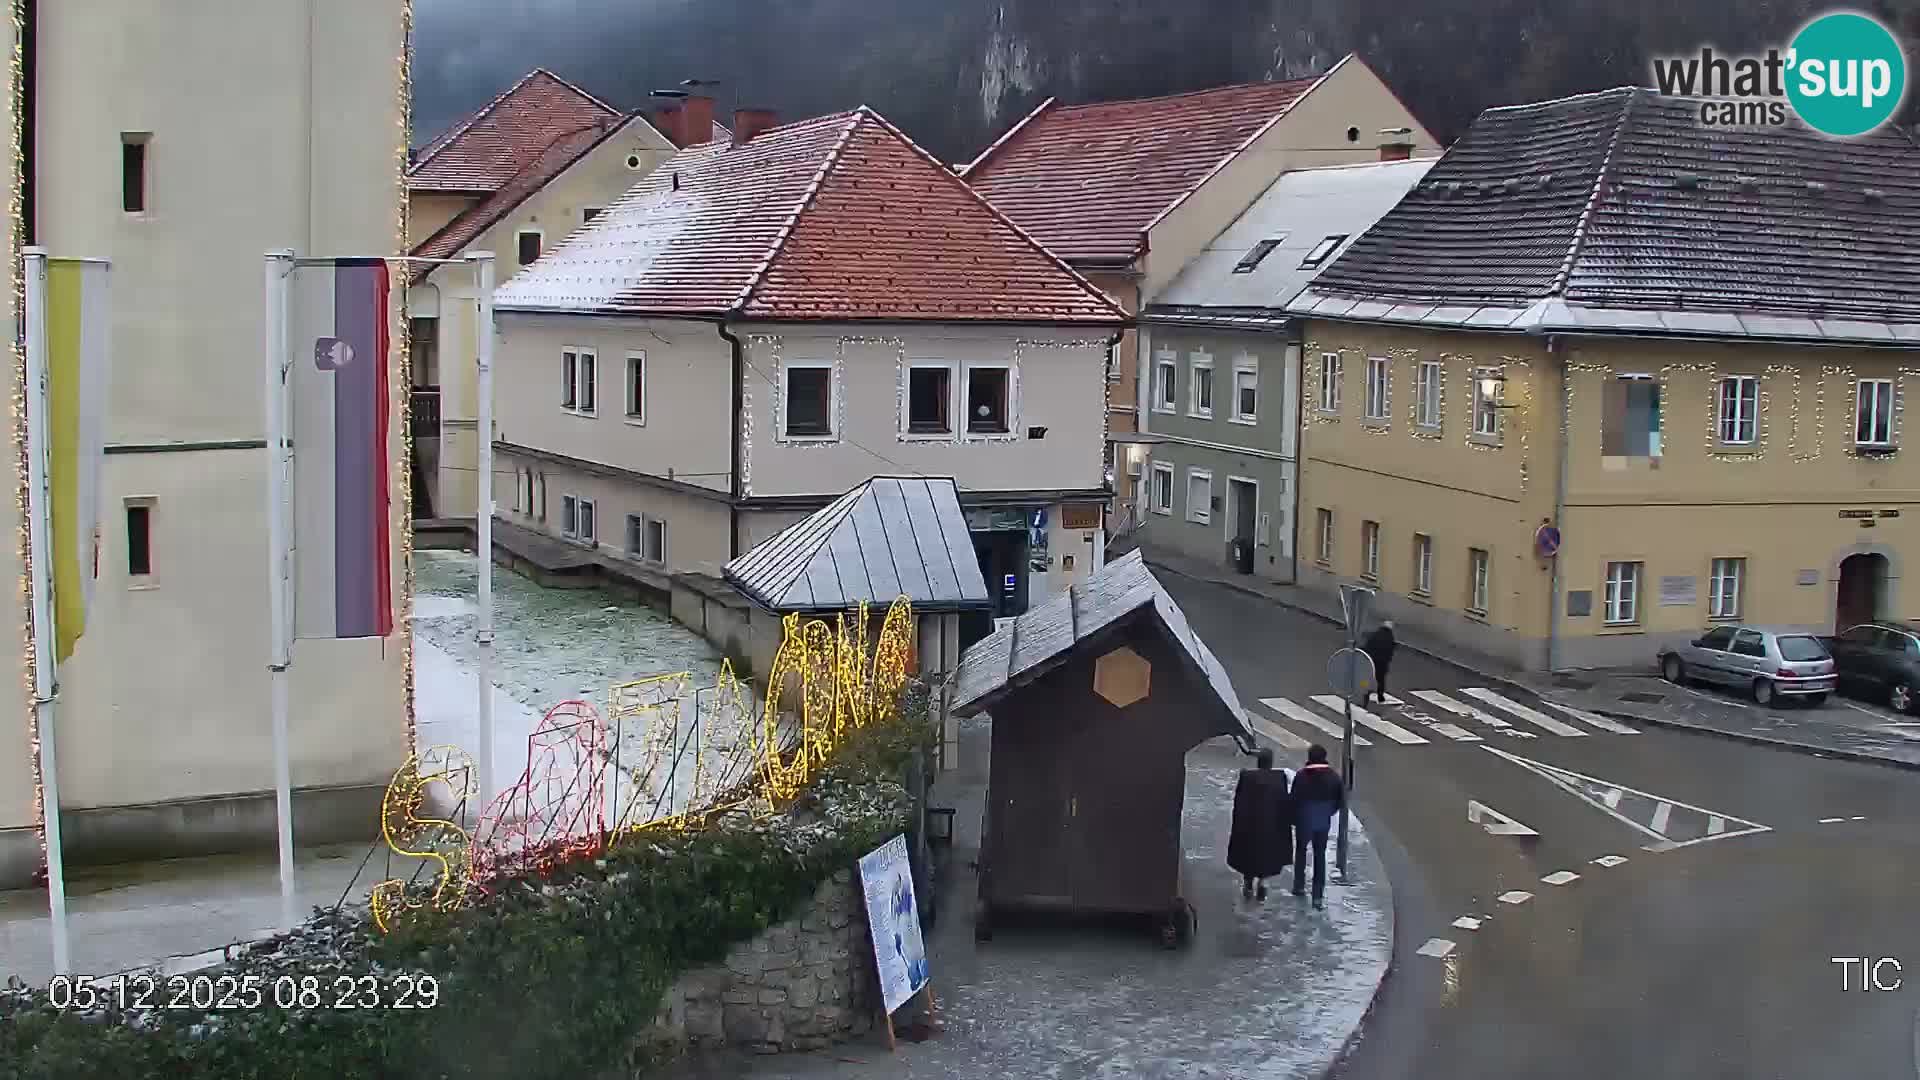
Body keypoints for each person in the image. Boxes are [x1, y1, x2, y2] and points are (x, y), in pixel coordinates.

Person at [1227, 747, 1292, 900]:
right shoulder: (1279, 778)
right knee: (1266, 855)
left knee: (1249, 854)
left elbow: (1239, 802)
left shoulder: (1247, 777)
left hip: (1249, 823)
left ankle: (1248, 882)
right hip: (1271, 825)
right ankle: (1262, 883)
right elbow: (1283, 803)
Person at [1291, 744, 1346, 910]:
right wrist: (1327, 812)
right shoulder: (1334, 777)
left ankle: (1299, 885)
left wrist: (1295, 817)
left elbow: (1293, 799)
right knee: (1319, 856)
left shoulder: (1301, 776)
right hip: (1322, 822)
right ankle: (1317, 897)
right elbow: (1340, 802)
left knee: (1301, 852)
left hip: (1303, 820)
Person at [1361, 619, 1398, 705]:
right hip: (1382, 664)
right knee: (1380, 680)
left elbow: (1367, 646)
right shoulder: (1390, 638)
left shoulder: (1375, 635)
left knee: (1367, 679)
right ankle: (1380, 696)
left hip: (1371, 661)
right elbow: (1390, 652)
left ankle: (1365, 695)